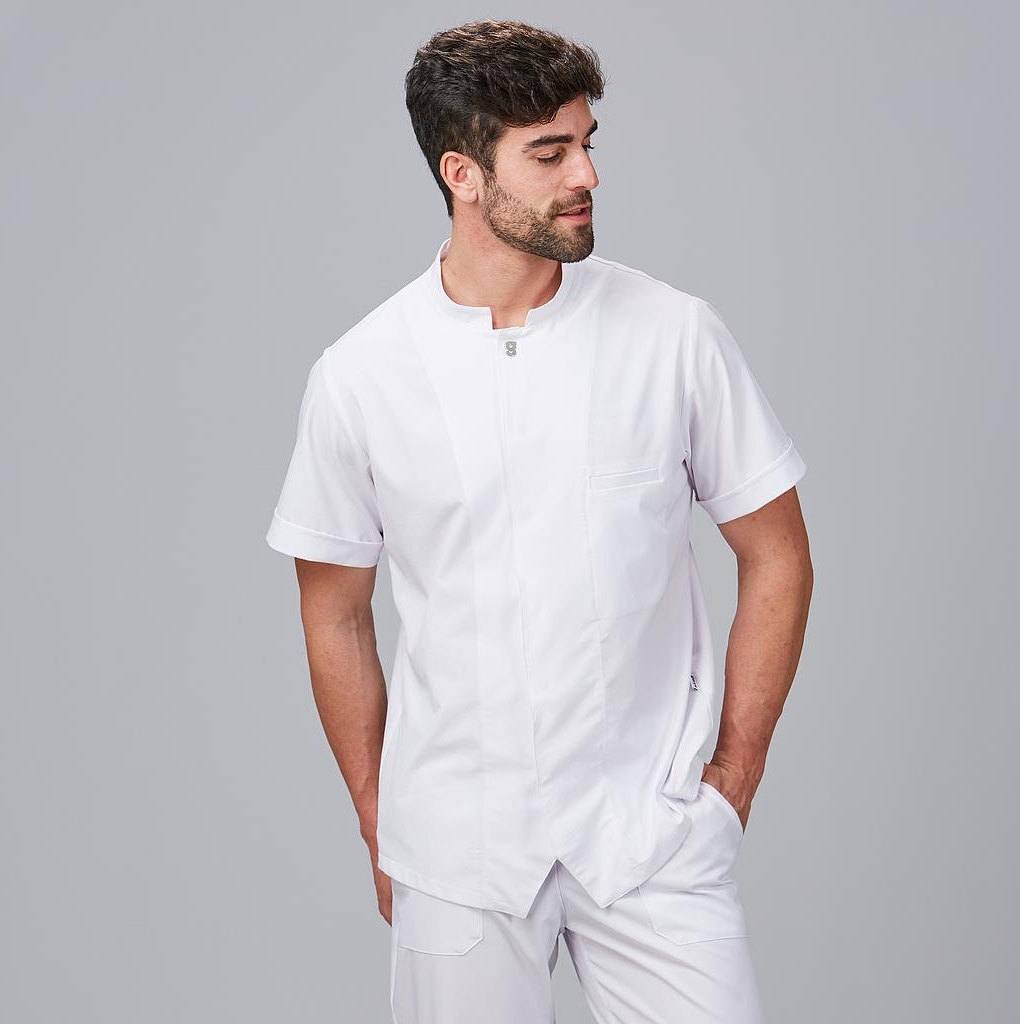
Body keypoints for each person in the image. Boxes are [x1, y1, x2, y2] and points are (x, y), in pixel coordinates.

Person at [265, 18, 813, 1024]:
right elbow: (334, 611)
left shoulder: (673, 335)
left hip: (649, 838)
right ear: (462, 174)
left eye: (587, 143)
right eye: (549, 153)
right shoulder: (360, 376)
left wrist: (733, 778)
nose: (586, 175)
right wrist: (380, 818)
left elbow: (776, 551)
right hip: (455, 846)